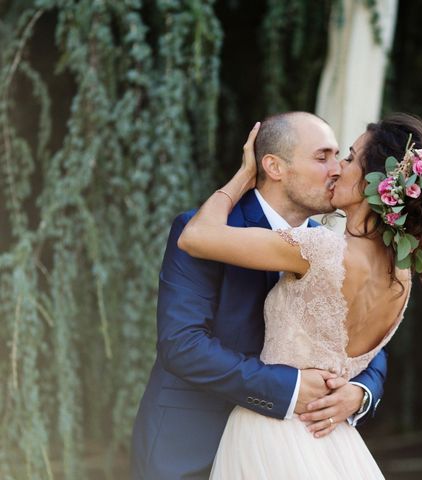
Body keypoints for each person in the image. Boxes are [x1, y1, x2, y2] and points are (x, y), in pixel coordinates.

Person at [178, 112, 422, 478]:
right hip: (333, 443)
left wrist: (245, 178)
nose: (337, 169)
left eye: (347, 158)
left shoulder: (319, 249)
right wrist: (358, 393)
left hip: (270, 436)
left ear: (374, 183)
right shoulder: (402, 277)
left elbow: (195, 236)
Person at [130, 112, 388, 480]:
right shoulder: (205, 231)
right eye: (322, 157)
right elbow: (181, 344)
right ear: (274, 167)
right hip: (192, 448)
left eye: (339, 156)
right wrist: (288, 388)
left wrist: (360, 392)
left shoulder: (332, 249)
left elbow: (366, 334)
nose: (337, 169)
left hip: (293, 453)